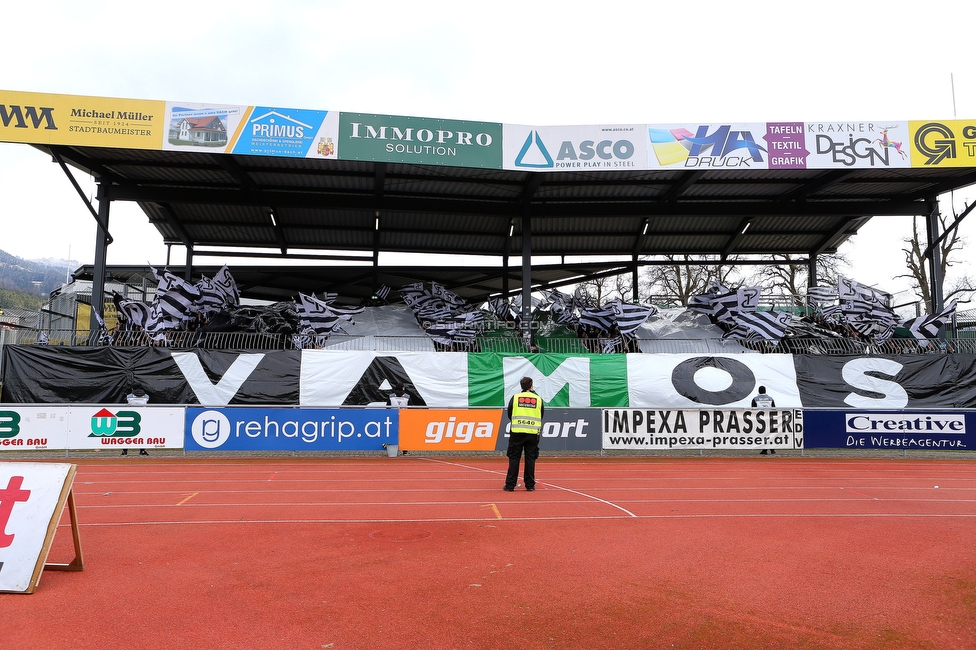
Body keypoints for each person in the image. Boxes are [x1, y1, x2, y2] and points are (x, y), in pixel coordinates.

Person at [504, 376, 544, 492]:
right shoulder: (538, 399)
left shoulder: (515, 397)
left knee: (514, 458)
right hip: (532, 433)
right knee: (530, 459)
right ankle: (530, 485)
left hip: (517, 432)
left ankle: (510, 485)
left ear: (521, 386)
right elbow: (541, 415)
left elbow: (510, 414)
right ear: (531, 386)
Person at [122, 382, 150, 456]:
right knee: (142, 434)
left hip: (131, 417)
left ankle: (124, 451)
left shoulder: (129, 397)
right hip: (143, 417)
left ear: (133, 388)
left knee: (127, 434)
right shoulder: (146, 396)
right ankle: (142, 451)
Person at [753, 385, 776, 455]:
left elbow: (753, 409)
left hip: (760, 420)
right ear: (765, 391)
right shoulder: (771, 399)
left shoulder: (755, 399)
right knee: (770, 434)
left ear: (759, 391)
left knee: (763, 435)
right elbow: (774, 408)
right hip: (769, 418)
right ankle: (772, 449)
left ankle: (765, 450)